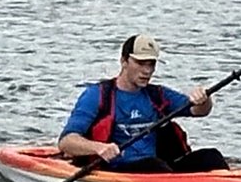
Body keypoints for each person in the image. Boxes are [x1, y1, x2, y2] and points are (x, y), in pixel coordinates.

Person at [58, 32, 227, 174]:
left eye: (151, 64)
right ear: (124, 61)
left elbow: (200, 111)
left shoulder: (157, 95)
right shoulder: (97, 95)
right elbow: (66, 142)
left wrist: (204, 99)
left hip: (157, 168)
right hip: (116, 169)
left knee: (211, 156)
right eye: (140, 63)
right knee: (155, 166)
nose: (147, 71)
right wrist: (98, 148)